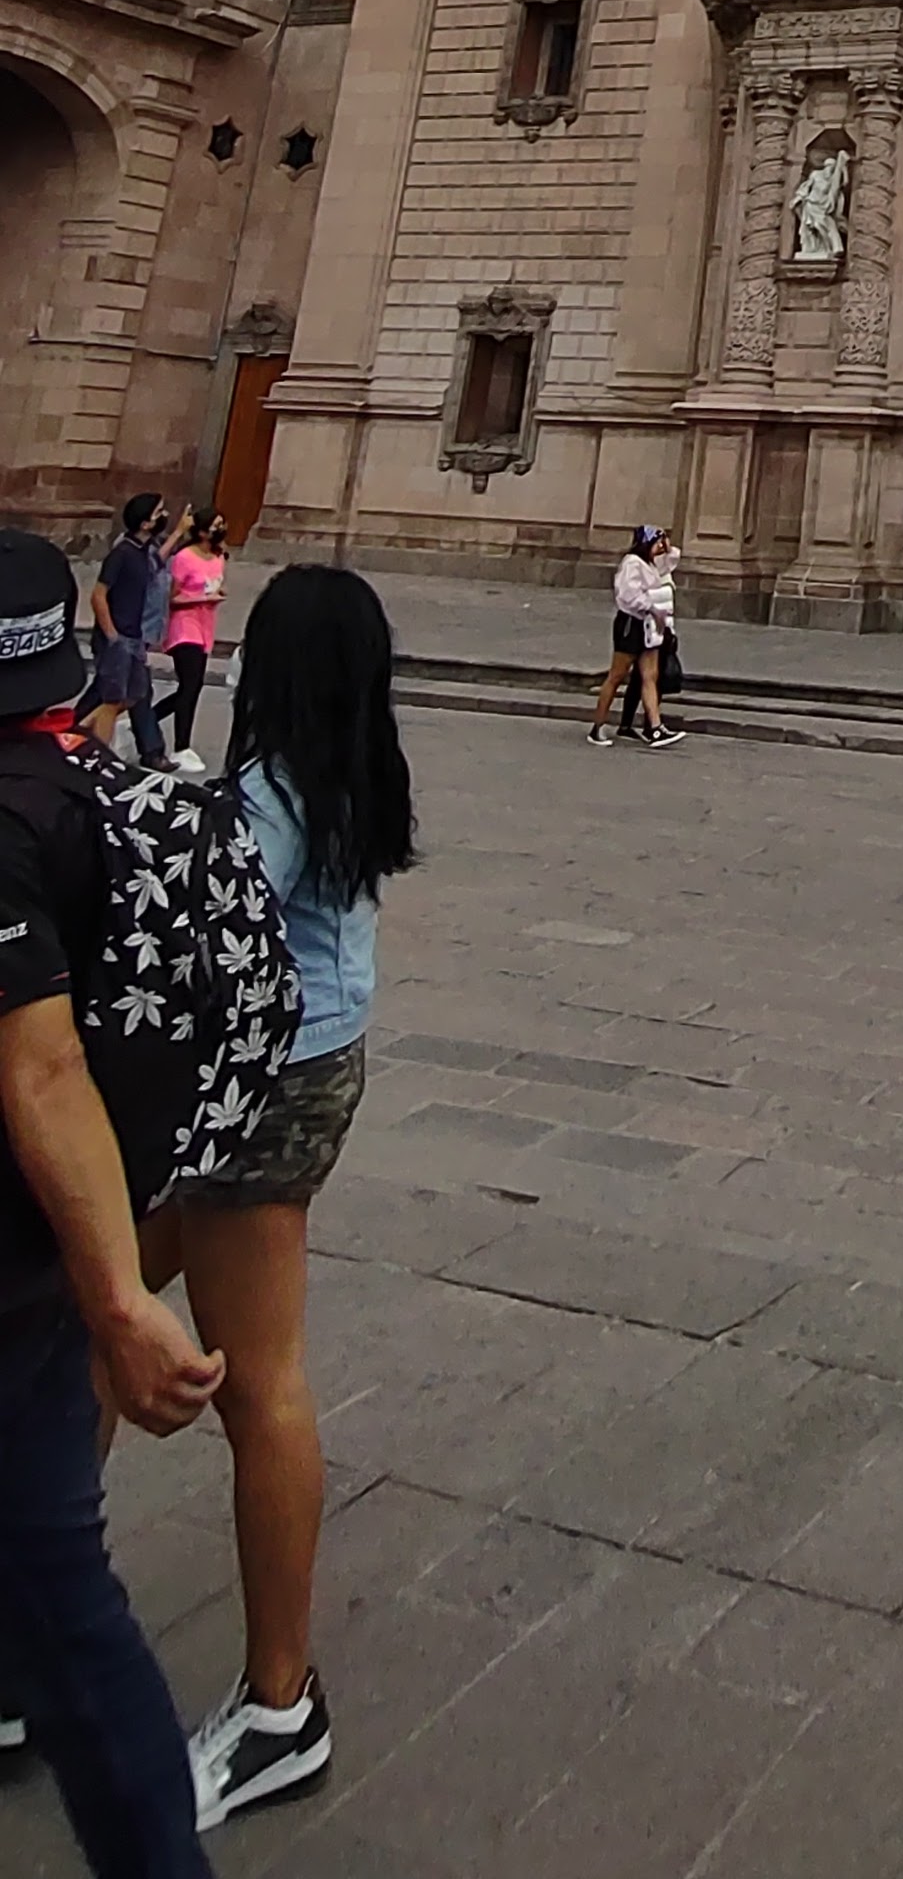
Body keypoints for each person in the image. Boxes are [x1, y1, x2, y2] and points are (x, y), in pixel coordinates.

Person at [139, 563, 416, 1828]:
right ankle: (44, 1595)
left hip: (259, 1088)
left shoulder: (278, 787)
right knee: (96, 1290)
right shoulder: (352, 763)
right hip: (310, 1064)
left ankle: (279, 1705)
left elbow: (210, 923)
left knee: (257, 1379)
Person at [0, 524, 227, 1875]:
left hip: (23, 1270)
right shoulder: (101, 793)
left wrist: (123, 1300)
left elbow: (40, 1068)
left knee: (66, 1607)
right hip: (37, 1260)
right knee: (67, 1605)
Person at [83, 494, 169, 769]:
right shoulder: (122, 553)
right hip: (119, 638)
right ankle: (99, 756)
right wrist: (112, 636)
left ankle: (79, 730)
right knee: (113, 699)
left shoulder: (145, 552)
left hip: (135, 636)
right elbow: (98, 595)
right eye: (159, 512)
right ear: (145, 523)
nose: (164, 516)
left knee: (135, 694)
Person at [585, 529, 685, 751]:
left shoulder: (651, 563)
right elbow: (628, 594)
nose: (660, 547)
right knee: (616, 676)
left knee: (650, 676)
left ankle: (656, 728)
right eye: (657, 542)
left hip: (649, 624)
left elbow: (670, 562)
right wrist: (651, 607)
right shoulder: (632, 563)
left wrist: (667, 546)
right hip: (632, 623)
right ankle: (597, 726)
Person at [162, 511, 228, 770]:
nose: (220, 529)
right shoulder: (184, 558)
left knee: (192, 687)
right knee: (190, 685)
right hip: (184, 626)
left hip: (205, 627)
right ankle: (181, 746)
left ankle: (145, 721)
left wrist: (217, 594)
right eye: (215, 525)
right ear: (201, 531)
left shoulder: (219, 557)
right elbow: (173, 597)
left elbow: (215, 585)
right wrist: (202, 599)